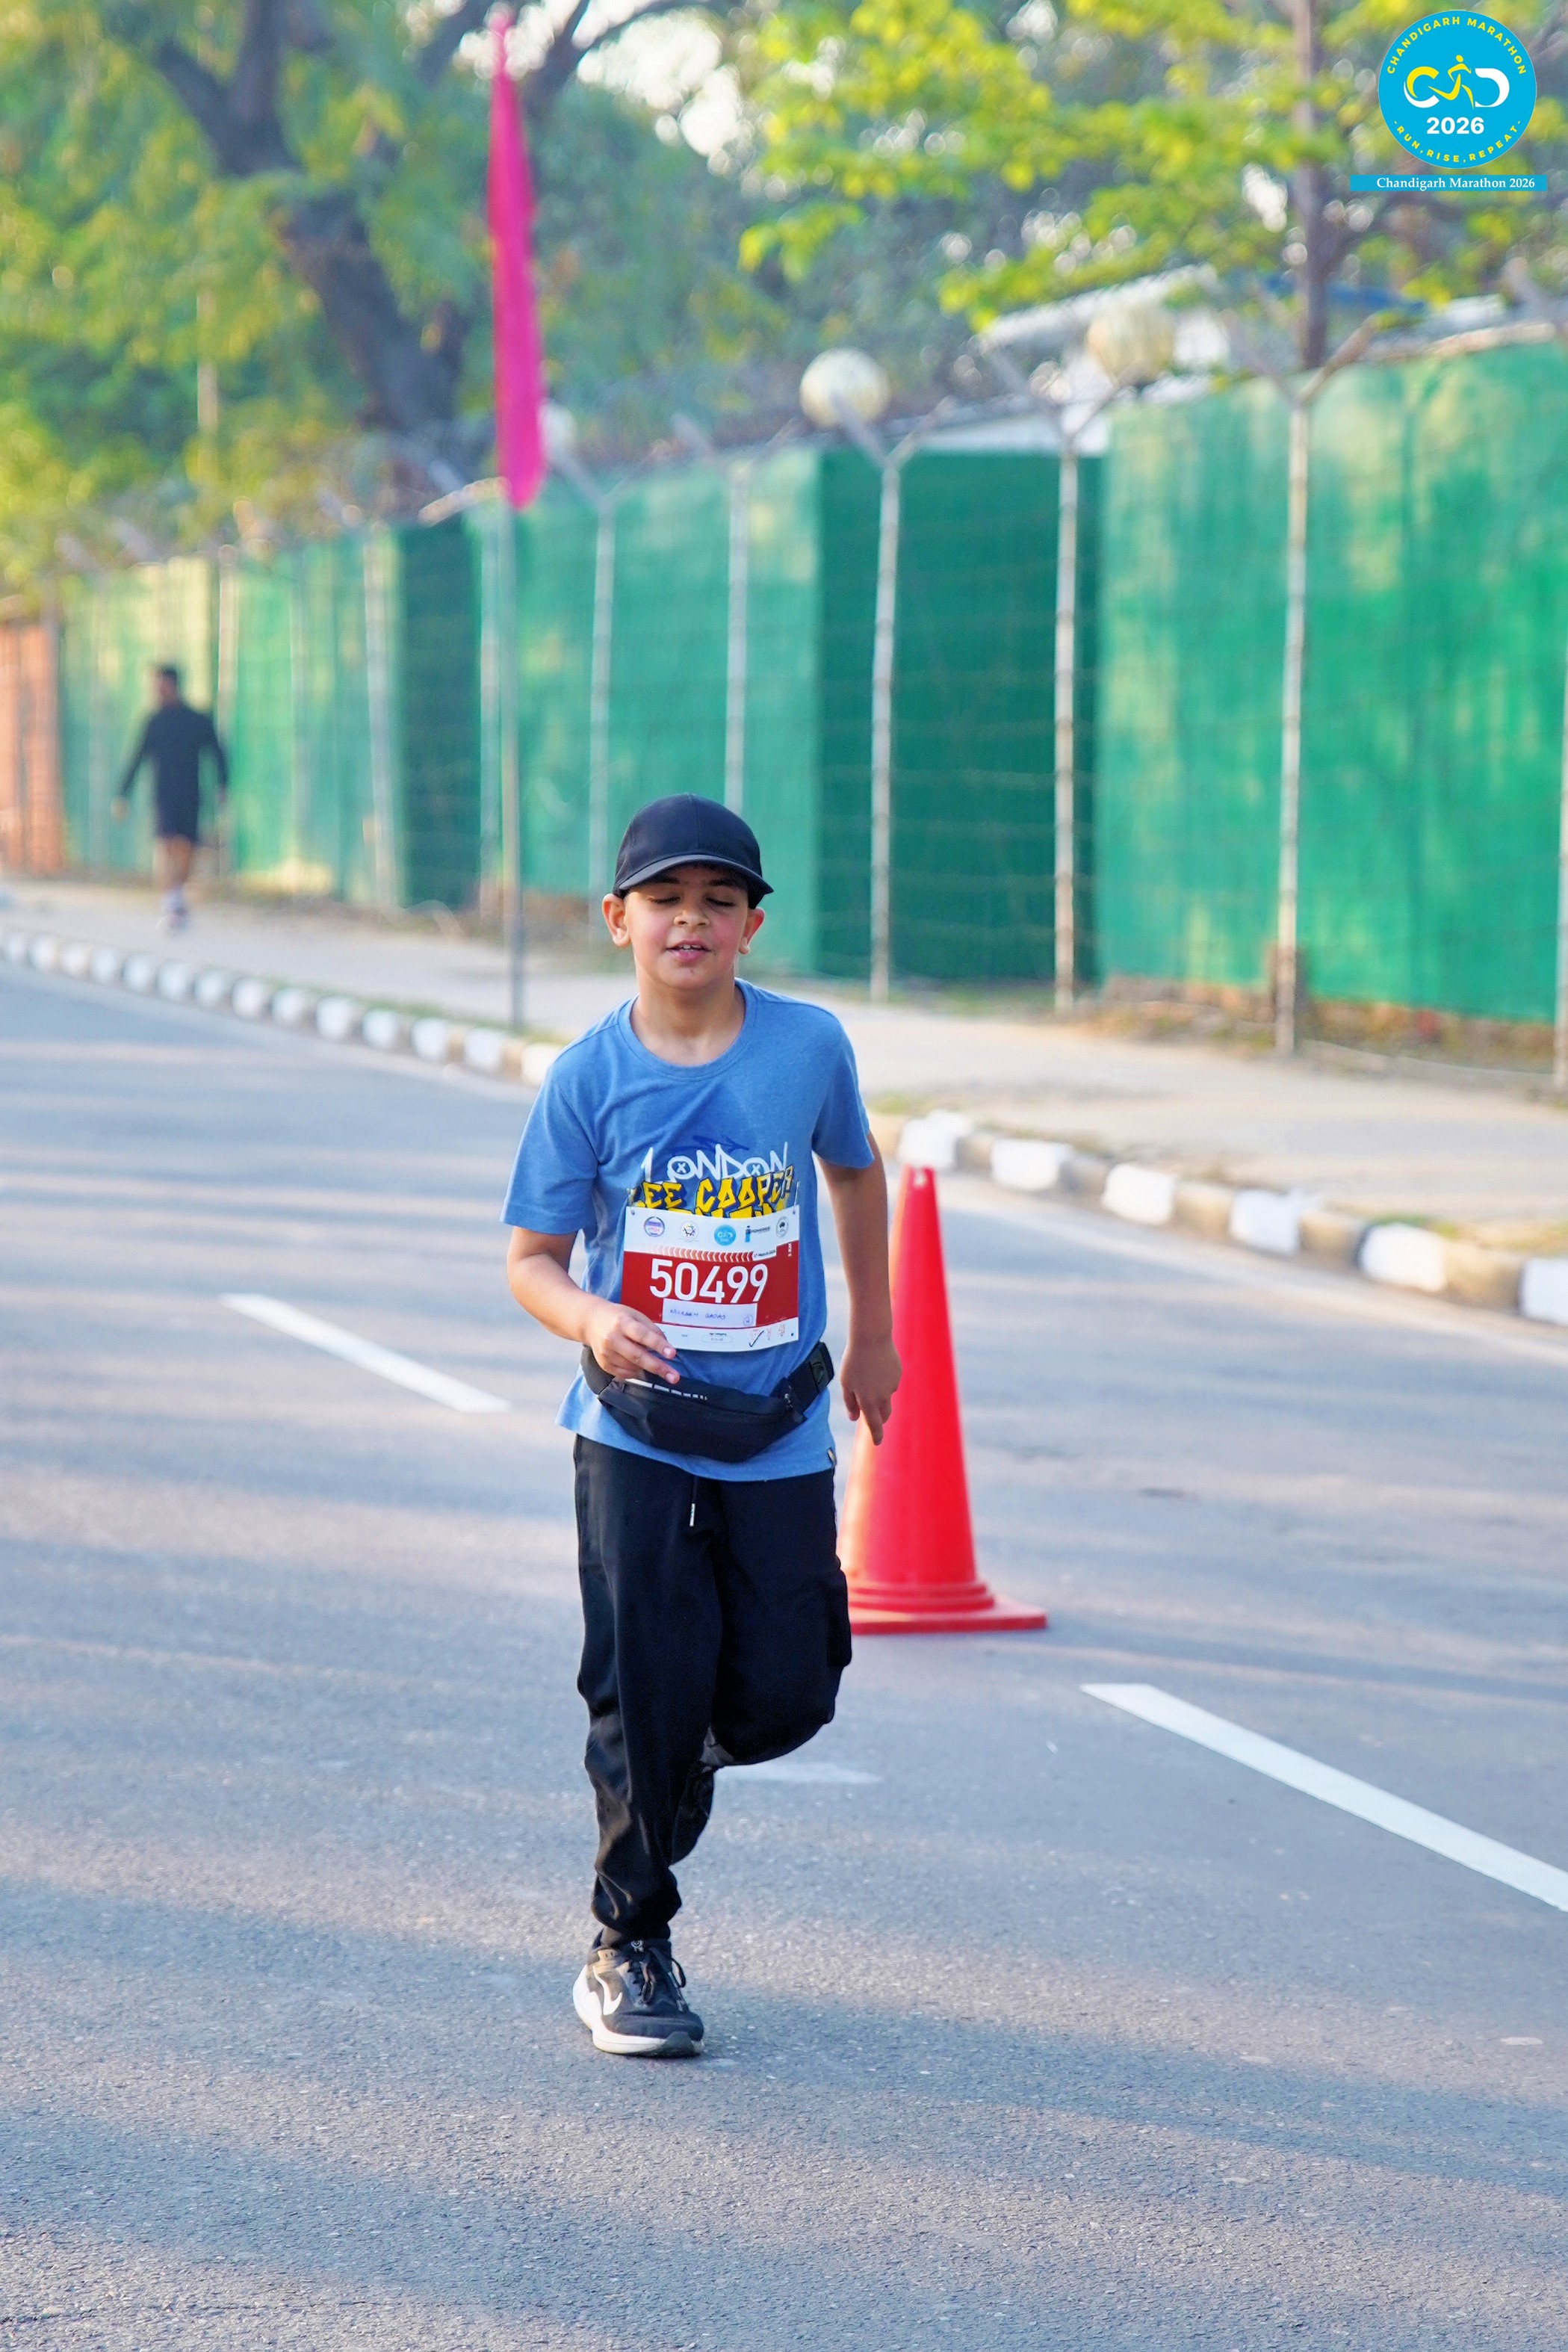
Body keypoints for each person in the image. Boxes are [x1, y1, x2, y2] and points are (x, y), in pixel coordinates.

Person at [504, 795, 899, 2059]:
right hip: (633, 1429)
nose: (691, 920)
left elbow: (853, 1170)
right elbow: (529, 1259)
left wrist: (875, 1333)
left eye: (717, 901)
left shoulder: (805, 1047)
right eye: (664, 900)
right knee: (637, 1683)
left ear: (750, 927)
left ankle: (686, 1753)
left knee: (790, 1688)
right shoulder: (588, 1076)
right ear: (617, 919)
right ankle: (629, 1941)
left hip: (775, 1422)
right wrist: (590, 1318)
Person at [111, 664, 229, 933]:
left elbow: (217, 752)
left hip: (190, 794)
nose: (157, 691)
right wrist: (123, 794)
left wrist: (223, 785)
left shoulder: (196, 720)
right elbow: (137, 757)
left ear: (173, 685)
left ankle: (177, 894)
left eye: (161, 685)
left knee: (187, 847)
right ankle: (171, 901)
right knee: (166, 845)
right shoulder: (154, 722)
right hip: (163, 796)